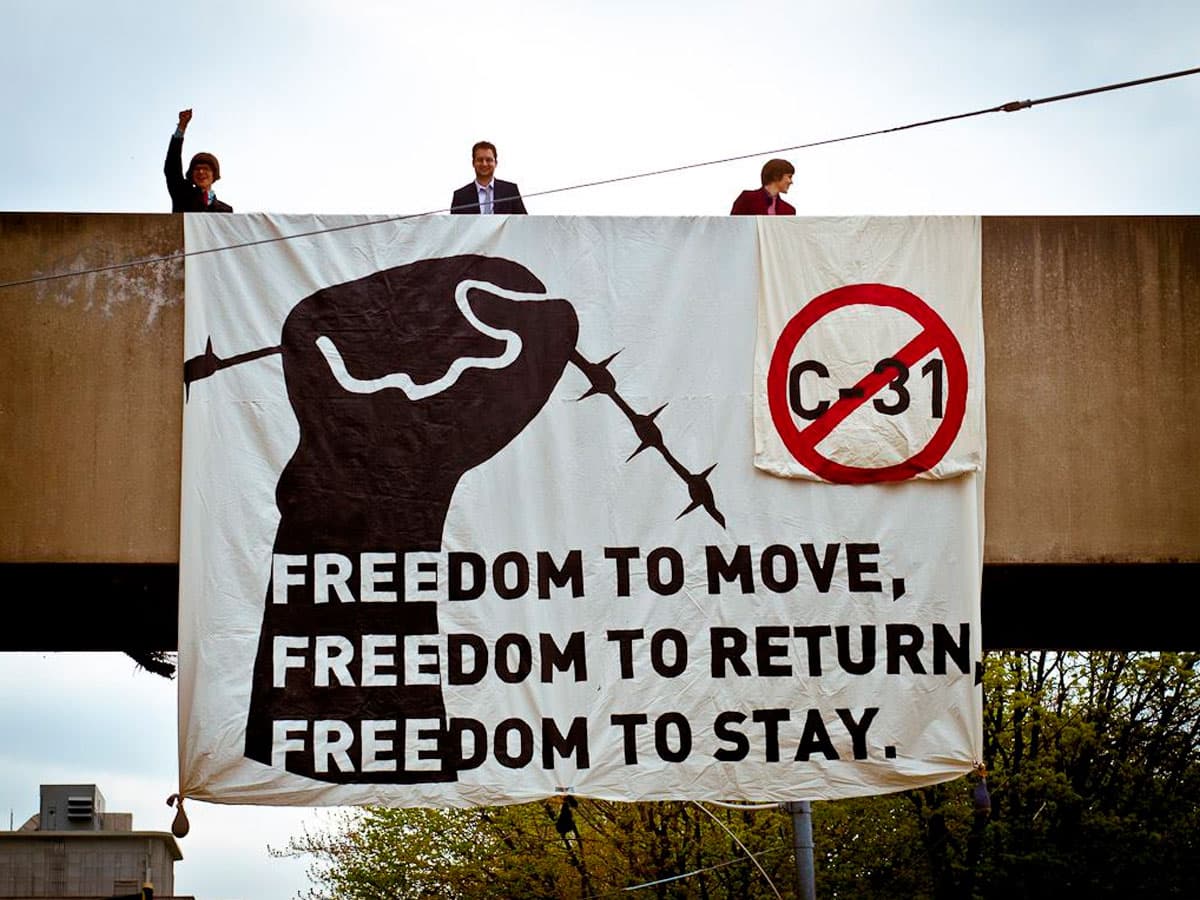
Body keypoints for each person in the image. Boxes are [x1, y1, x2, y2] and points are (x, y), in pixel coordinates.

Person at [164, 109, 232, 213]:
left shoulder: (225, 210)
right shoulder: (182, 195)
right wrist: (181, 128)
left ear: (214, 175)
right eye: (197, 169)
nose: (201, 172)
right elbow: (172, 168)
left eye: (206, 169)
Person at [451, 141, 527, 214]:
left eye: (489, 160)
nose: (484, 164)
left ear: (496, 163)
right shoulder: (460, 196)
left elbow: (523, 222)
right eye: (480, 160)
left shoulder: (510, 191)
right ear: (473, 163)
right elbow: (454, 226)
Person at [730, 158, 795, 215]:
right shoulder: (747, 199)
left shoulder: (789, 210)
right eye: (789, 177)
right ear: (776, 176)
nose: (791, 182)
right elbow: (733, 226)